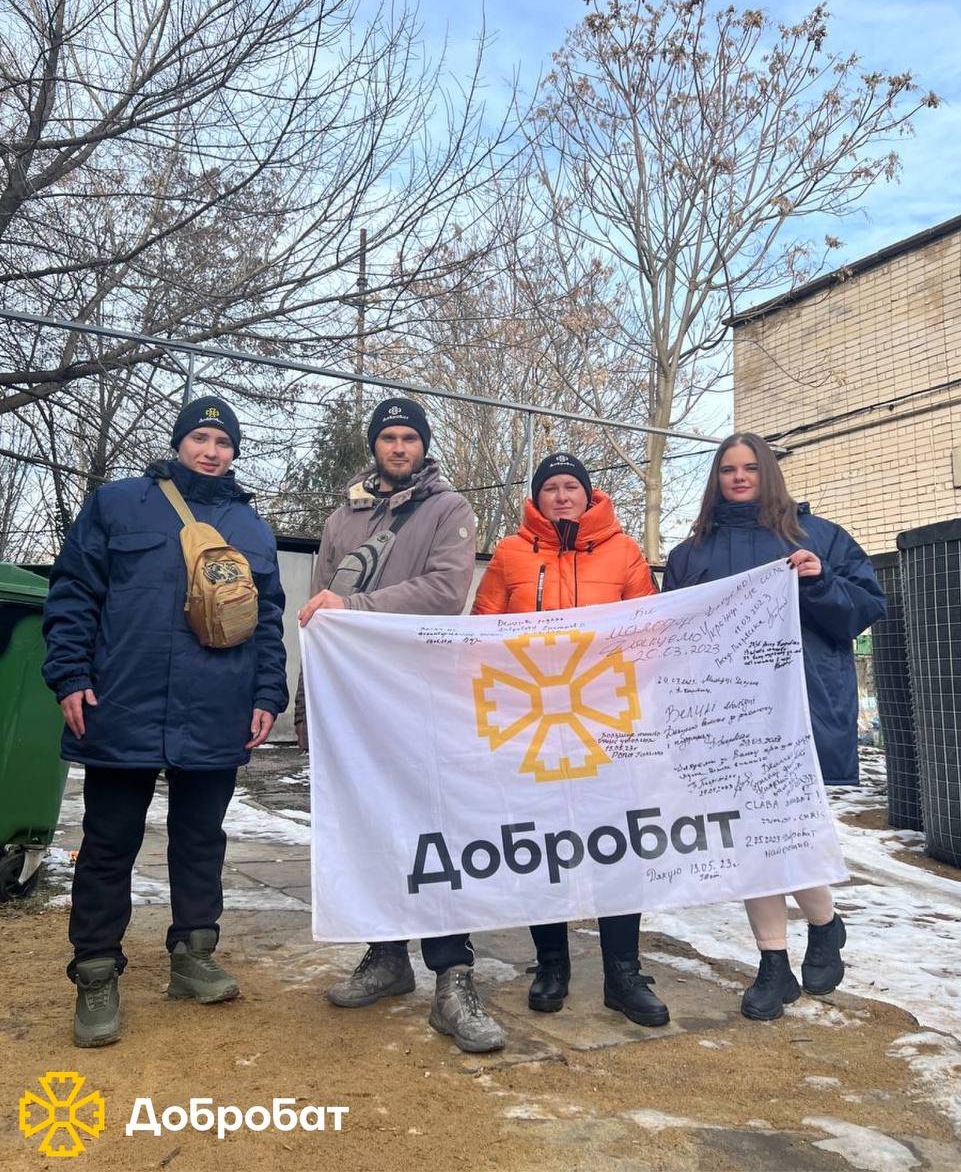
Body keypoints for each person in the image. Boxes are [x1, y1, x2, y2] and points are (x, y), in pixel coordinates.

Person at [42, 396, 288, 1048]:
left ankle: (193, 955)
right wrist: (70, 673)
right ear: (180, 442)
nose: (212, 450)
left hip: (217, 707)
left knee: (201, 838)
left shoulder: (251, 525)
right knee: (108, 843)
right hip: (123, 702)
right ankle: (96, 974)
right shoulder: (119, 503)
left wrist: (268, 692)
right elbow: (74, 591)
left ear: (234, 452)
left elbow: (267, 620)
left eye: (223, 442)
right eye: (201, 437)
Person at [296, 396, 505, 1054]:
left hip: (421, 695)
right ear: (374, 446)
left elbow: (446, 593)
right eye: (387, 436)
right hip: (355, 702)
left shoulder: (448, 510)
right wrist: (312, 703)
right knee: (370, 830)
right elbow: (320, 619)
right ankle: (386, 959)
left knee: (433, 831)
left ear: (423, 445)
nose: (397, 446)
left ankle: (453, 977)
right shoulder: (340, 519)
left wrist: (354, 604)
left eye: (408, 437)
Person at [663, 431, 885, 1020]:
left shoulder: (821, 538)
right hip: (725, 719)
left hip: (798, 714)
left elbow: (860, 615)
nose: (738, 477)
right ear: (716, 479)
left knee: (788, 831)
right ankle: (774, 963)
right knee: (745, 839)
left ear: (767, 474)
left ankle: (823, 923)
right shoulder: (691, 554)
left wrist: (818, 581)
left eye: (749, 468)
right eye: (728, 469)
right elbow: (675, 641)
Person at [472, 451, 670, 1028]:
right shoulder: (509, 554)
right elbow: (482, 634)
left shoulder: (625, 552)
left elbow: (650, 631)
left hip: (605, 724)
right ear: (537, 497)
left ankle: (623, 974)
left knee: (617, 845)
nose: (562, 496)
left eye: (571, 487)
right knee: (543, 844)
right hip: (532, 726)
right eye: (551, 488)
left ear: (588, 496)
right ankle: (550, 964)